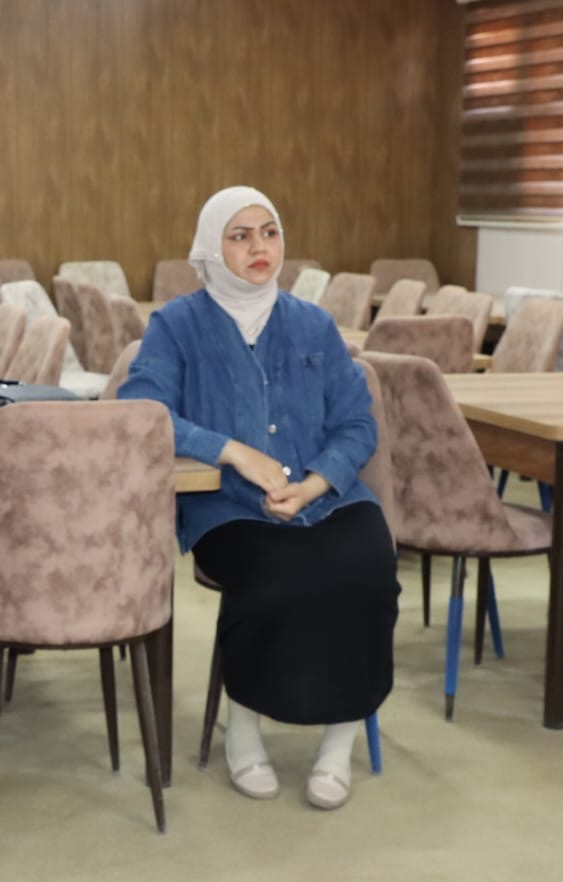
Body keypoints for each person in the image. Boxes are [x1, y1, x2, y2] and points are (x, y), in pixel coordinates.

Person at [119, 187, 399, 810]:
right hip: (228, 506)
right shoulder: (177, 325)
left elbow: (357, 423)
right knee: (278, 573)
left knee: (367, 567)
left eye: (269, 232)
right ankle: (244, 730)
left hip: (328, 496)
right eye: (240, 235)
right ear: (211, 247)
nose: (259, 247)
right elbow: (143, 409)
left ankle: (339, 743)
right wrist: (233, 452)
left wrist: (317, 482)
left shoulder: (313, 323)